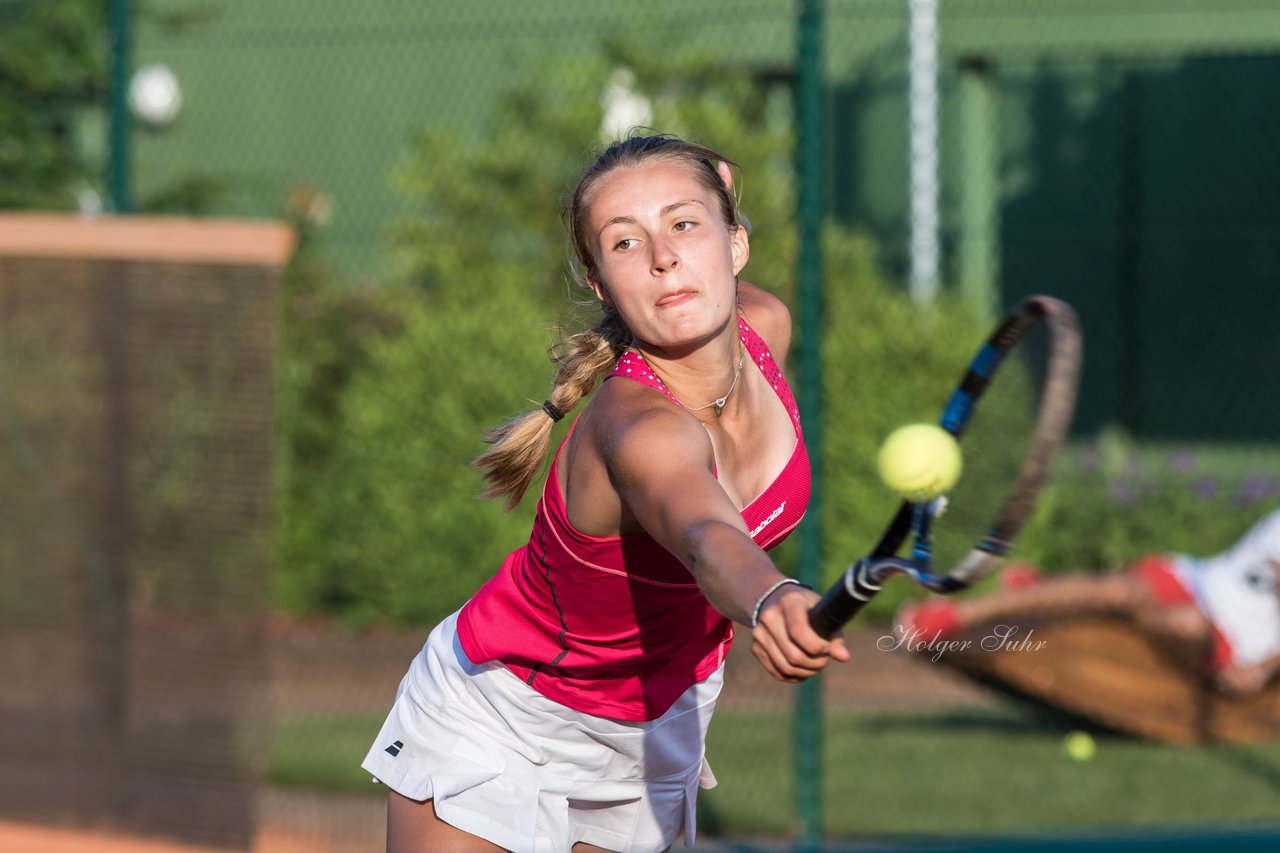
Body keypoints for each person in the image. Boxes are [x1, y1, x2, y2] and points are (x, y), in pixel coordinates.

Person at [361, 132, 849, 853]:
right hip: (506, 714)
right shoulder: (636, 427)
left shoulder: (766, 327)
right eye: (625, 243)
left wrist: (708, 185)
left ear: (737, 243)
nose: (662, 257)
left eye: (685, 223)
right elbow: (705, 533)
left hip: (659, 721)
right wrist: (770, 594)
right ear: (601, 284)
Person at [899, 507, 1280, 697]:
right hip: (1199, 579)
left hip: (1236, 637)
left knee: (1181, 621)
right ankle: (953, 615)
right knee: (1121, 592)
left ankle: (1051, 592)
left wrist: (1261, 667)